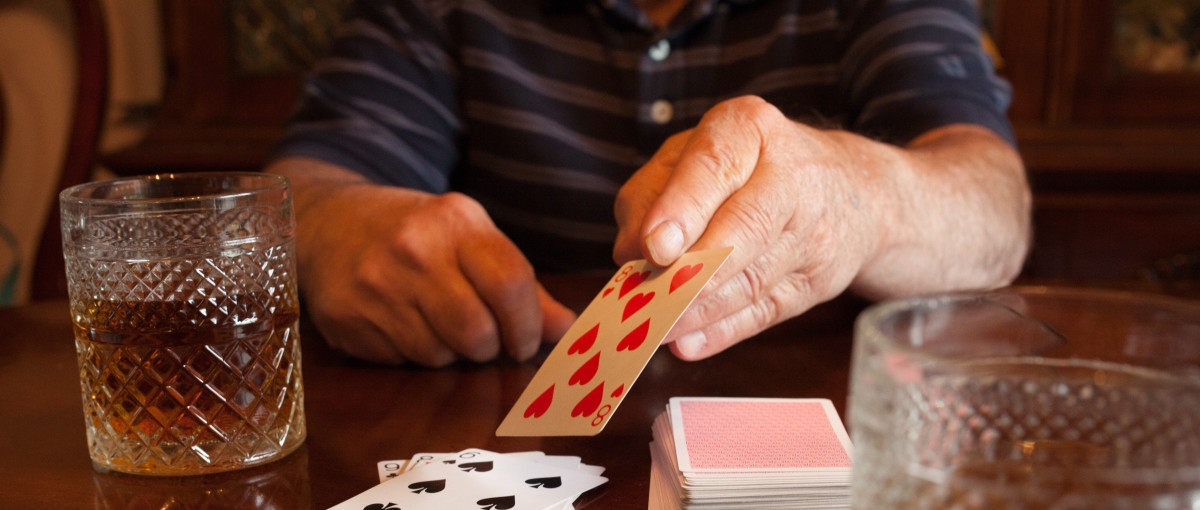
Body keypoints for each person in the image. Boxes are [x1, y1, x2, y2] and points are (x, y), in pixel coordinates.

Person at [266, 0, 1031, 367]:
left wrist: (857, 194)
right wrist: (335, 226)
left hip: (829, 482)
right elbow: (305, 179)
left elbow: (994, 203)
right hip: (522, 456)